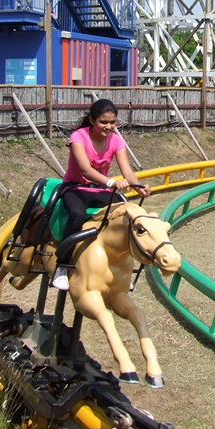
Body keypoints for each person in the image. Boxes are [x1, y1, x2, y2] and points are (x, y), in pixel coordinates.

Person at [51, 99, 150, 290]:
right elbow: (85, 170)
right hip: (76, 187)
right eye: (104, 122)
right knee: (78, 215)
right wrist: (112, 182)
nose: (109, 127)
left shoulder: (115, 140)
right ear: (92, 120)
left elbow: (127, 171)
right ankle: (62, 265)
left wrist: (137, 186)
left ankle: (121, 266)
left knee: (126, 213)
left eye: (112, 122)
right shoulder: (79, 137)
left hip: (100, 189)